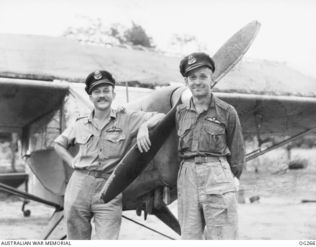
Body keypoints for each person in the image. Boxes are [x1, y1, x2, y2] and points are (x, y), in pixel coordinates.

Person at [54, 70, 164, 240]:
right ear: (90, 97)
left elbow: (160, 116)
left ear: (113, 94)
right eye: (96, 92)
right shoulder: (80, 122)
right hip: (78, 186)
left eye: (106, 91)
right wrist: (71, 161)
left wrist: (144, 127)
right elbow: (58, 144)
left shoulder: (127, 119)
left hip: (109, 188)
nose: (102, 95)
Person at [175, 52, 245, 239]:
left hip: (217, 175)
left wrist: (233, 178)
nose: (197, 82)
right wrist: (143, 128)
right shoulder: (180, 113)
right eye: (192, 77)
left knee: (223, 237)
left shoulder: (227, 111)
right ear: (186, 82)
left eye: (203, 76)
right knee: (189, 237)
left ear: (212, 80)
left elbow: (237, 149)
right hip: (187, 176)